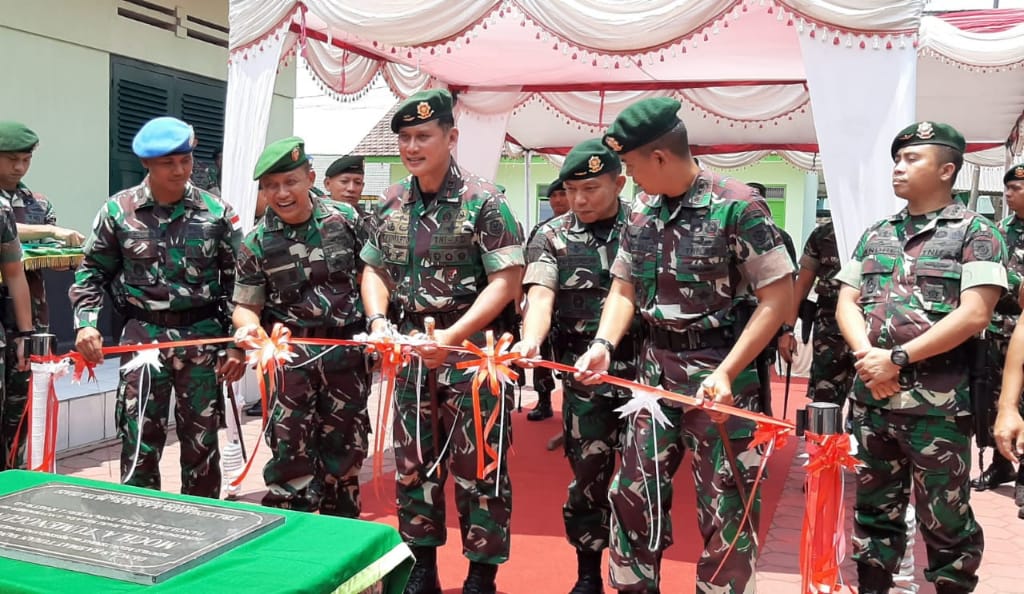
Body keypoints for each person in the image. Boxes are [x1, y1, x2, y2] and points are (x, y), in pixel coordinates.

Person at [574, 97, 794, 593]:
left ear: (658, 157)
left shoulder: (737, 205)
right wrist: (604, 343)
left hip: (719, 378)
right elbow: (624, 287)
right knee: (632, 495)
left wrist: (729, 371)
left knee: (726, 507)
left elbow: (776, 298)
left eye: (630, 166)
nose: (629, 178)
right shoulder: (643, 211)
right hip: (653, 379)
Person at [360, 89, 524, 594]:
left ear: (451, 138)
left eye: (423, 136)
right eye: (404, 138)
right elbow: (373, 268)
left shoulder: (484, 201)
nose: (412, 147)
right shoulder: (391, 202)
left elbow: (507, 280)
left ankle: (480, 574)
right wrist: (378, 319)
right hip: (412, 355)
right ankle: (423, 567)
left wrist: (453, 336)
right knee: (413, 465)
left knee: (481, 469)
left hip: (473, 359)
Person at [835, 121, 1005, 594]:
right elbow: (846, 301)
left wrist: (898, 358)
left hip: (937, 410)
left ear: (947, 169)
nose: (899, 167)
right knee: (872, 514)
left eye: (913, 159)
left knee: (946, 520)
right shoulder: (877, 233)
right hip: (873, 400)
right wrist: (869, 358)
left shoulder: (978, 232)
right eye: (897, 159)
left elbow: (974, 314)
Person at [70, 116, 245, 498]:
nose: (181, 170)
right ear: (146, 164)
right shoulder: (118, 212)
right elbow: (91, 274)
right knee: (138, 437)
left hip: (201, 338)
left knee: (201, 443)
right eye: (169, 163)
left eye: (186, 160)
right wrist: (86, 324)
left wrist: (236, 343)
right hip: (142, 337)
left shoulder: (216, 212)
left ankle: (203, 524)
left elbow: (241, 284)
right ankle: (138, 522)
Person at [514, 139, 639, 593]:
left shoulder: (644, 228)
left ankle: (640, 575)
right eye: (572, 190)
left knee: (645, 481)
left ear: (619, 183)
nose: (580, 200)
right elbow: (541, 294)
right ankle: (588, 573)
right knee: (588, 476)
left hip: (647, 376)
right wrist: (531, 338)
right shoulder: (552, 235)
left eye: (591, 189)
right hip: (584, 379)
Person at [232, 137, 370, 516]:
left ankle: (344, 544)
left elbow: (374, 276)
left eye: (290, 182)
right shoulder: (257, 242)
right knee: (289, 455)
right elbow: (245, 306)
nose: (281, 193)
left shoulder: (346, 220)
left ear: (310, 178)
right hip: (290, 363)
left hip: (345, 357)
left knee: (344, 455)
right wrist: (250, 332)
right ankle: (291, 548)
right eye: (270, 186)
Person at [0, 121, 84, 468]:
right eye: (11, 160)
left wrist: (65, 251)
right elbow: (12, 231)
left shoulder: (37, 202)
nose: (19, 167)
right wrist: (48, 231)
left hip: (28, 313)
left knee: (23, 401)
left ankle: (15, 472)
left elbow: (56, 254)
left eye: (25, 160)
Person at [974, 162, 1024, 497]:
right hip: (997, 328)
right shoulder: (999, 231)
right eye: (1006, 188)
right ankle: (1001, 463)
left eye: (1015, 188)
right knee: (994, 399)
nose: (1008, 194)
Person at [777, 208, 854, 405]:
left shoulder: (882, 232)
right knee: (824, 398)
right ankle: (820, 436)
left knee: (870, 400)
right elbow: (801, 285)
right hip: (829, 326)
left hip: (871, 325)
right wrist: (788, 330)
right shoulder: (823, 235)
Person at [525, 178, 571, 422]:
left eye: (562, 194)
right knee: (540, 353)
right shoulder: (541, 230)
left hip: (570, 306)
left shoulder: (577, 229)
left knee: (570, 355)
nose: (557, 200)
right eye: (553, 196)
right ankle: (544, 400)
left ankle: (572, 405)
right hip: (545, 305)